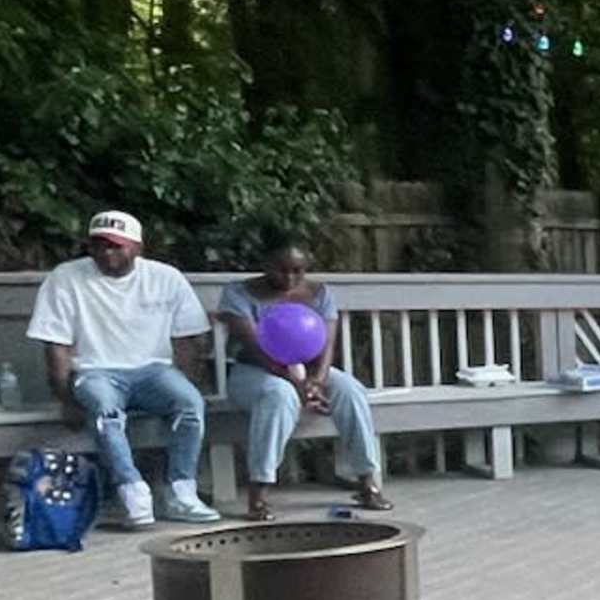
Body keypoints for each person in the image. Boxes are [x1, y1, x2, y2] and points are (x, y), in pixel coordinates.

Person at [25, 209, 219, 528]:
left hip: (153, 370)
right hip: (95, 371)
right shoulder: (65, 277)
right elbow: (55, 344)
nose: (107, 253)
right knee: (104, 409)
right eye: (99, 245)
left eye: (117, 246)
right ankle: (133, 492)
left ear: (137, 248)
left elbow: (189, 338)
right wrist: (65, 399)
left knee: (190, 403)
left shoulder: (165, 277)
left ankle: (181, 492)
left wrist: (185, 381)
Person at [213, 238, 389, 519]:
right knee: (278, 396)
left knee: (351, 390)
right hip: (254, 371)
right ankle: (259, 490)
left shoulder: (319, 293)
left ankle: (368, 481)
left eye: (298, 271)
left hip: (308, 371)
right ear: (266, 265)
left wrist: (317, 382)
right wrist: (297, 385)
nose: (290, 277)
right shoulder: (239, 293)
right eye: (282, 270)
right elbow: (255, 346)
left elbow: (327, 343)